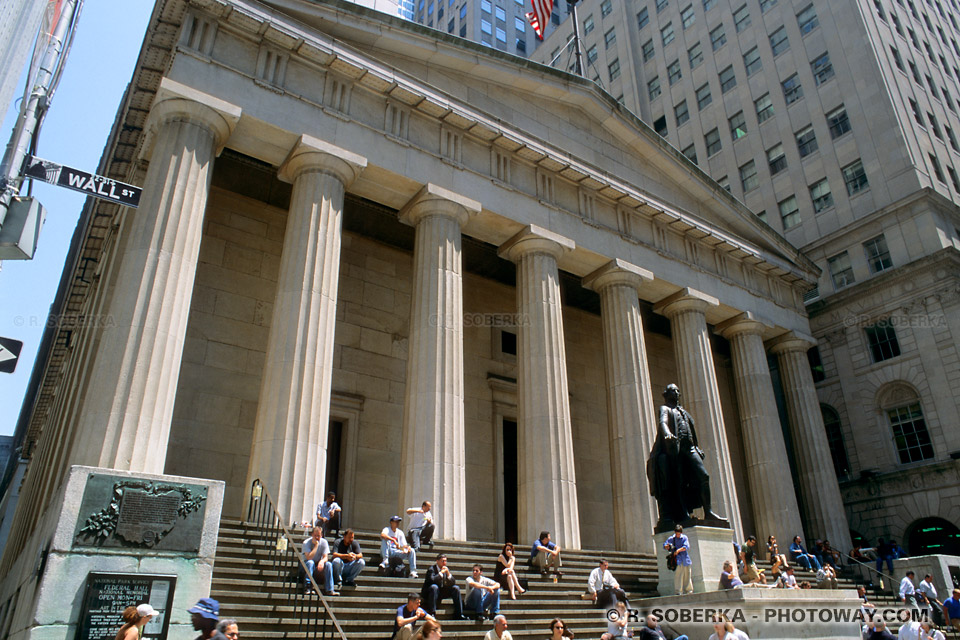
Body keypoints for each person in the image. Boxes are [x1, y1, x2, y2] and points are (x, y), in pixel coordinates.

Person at [647, 384, 724, 527]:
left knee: (703, 476)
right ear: (666, 394)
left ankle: (708, 511)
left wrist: (696, 446)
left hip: (690, 449)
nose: (676, 393)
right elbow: (663, 423)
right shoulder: (665, 409)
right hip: (676, 449)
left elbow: (690, 430)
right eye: (673, 391)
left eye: (677, 391)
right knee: (679, 482)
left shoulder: (684, 412)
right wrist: (668, 434)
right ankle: (683, 514)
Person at [421, 554, 467, 620]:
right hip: (430, 592)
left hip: (441, 591)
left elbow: (453, 582)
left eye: (445, 561)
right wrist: (441, 573)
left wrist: (448, 574)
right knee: (434, 587)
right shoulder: (431, 569)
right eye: (443, 561)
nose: (444, 563)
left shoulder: (446, 569)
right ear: (437, 561)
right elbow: (432, 580)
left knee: (456, 588)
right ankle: (432, 613)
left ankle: (459, 614)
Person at [303, 526, 337, 595]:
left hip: (317, 566)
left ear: (321, 535)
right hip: (306, 567)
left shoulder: (324, 542)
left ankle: (330, 589)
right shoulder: (306, 543)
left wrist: (322, 561)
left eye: (318, 536)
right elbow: (309, 557)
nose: (317, 538)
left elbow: (325, 557)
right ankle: (308, 587)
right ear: (312, 535)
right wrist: (316, 546)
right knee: (310, 562)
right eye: (315, 536)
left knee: (328, 564)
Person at [664, 524, 693, 595]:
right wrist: (667, 546)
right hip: (677, 560)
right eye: (677, 533)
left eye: (679, 533)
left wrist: (678, 550)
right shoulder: (672, 538)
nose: (678, 535)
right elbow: (665, 545)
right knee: (678, 575)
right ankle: (678, 591)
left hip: (685, 559)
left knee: (687, 575)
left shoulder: (684, 538)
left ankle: (689, 590)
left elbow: (686, 546)